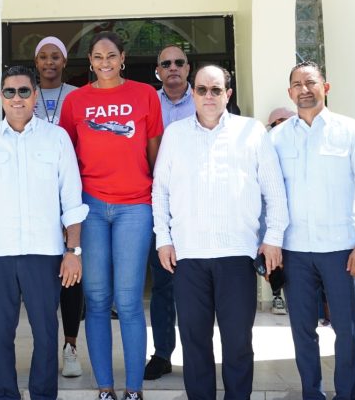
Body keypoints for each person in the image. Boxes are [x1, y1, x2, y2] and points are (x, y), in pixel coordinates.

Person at [152, 65, 288, 400]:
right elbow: (160, 191)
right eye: (202, 90)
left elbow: (275, 191)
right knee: (195, 342)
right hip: (189, 257)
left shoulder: (252, 132)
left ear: (228, 94)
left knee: (237, 342)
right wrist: (164, 238)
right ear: (193, 94)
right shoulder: (175, 134)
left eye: (216, 90)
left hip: (236, 255)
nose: (209, 96)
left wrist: (273, 239)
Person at [0, 65, 86, 400]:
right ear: (1, 97)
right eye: (10, 92)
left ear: (34, 96)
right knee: (1, 334)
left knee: (46, 334)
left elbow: (72, 201)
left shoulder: (56, 138)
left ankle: (43, 395)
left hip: (45, 256)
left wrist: (73, 252)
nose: (17, 98)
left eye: (24, 91)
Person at [268, 61, 355, 400]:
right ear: (289, 92)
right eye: (296, 84)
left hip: (342, 251)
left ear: (325, 87)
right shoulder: (275, 139)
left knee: (346, 332)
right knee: (302, 332)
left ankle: (346, 396)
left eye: (311, 82)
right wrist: (271, 246)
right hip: (294, 253)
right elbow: (268, 196)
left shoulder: (351, 132)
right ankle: (312, 395)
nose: (304, 90)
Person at [59, 32, 162, 400]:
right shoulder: (76, 101)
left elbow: (155, 154)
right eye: (98, 56)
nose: (105, 61)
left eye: (111, 55)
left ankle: (133, 389)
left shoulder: (145, 95)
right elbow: (66, 158)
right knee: (98, 299)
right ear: (90, 60)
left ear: (123, 58)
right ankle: (105, 387)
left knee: (130, 300)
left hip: (136, 205)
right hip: (90, 207)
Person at [32, 35, 84, 377]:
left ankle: (70, 345)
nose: (49, 62)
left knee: (71, 273)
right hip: (34, 197)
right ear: (36, 63)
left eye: (56, 57)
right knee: (40, 278)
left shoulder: (79, 96)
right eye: (43, 57)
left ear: (64, 62)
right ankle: (46, 345)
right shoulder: (25, 94)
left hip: (70, 191)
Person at [144, 44, 193, 380]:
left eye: (179, 63)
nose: (173, 68)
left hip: (197, 207)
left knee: (198, 285)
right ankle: (162, 353)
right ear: (158, 71)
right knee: (163, 284)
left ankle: (199, 354)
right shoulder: (149, 103)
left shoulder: (207, 98)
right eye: (166, 64)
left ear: (188, 68)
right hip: (158, 204)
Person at [265, 106, 295, 316]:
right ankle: (277, 297)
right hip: (273, 218)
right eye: (274, 123)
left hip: (299, 222)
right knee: (273, 264)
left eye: (283, 120)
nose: (279, 125)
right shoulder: (266, 143)